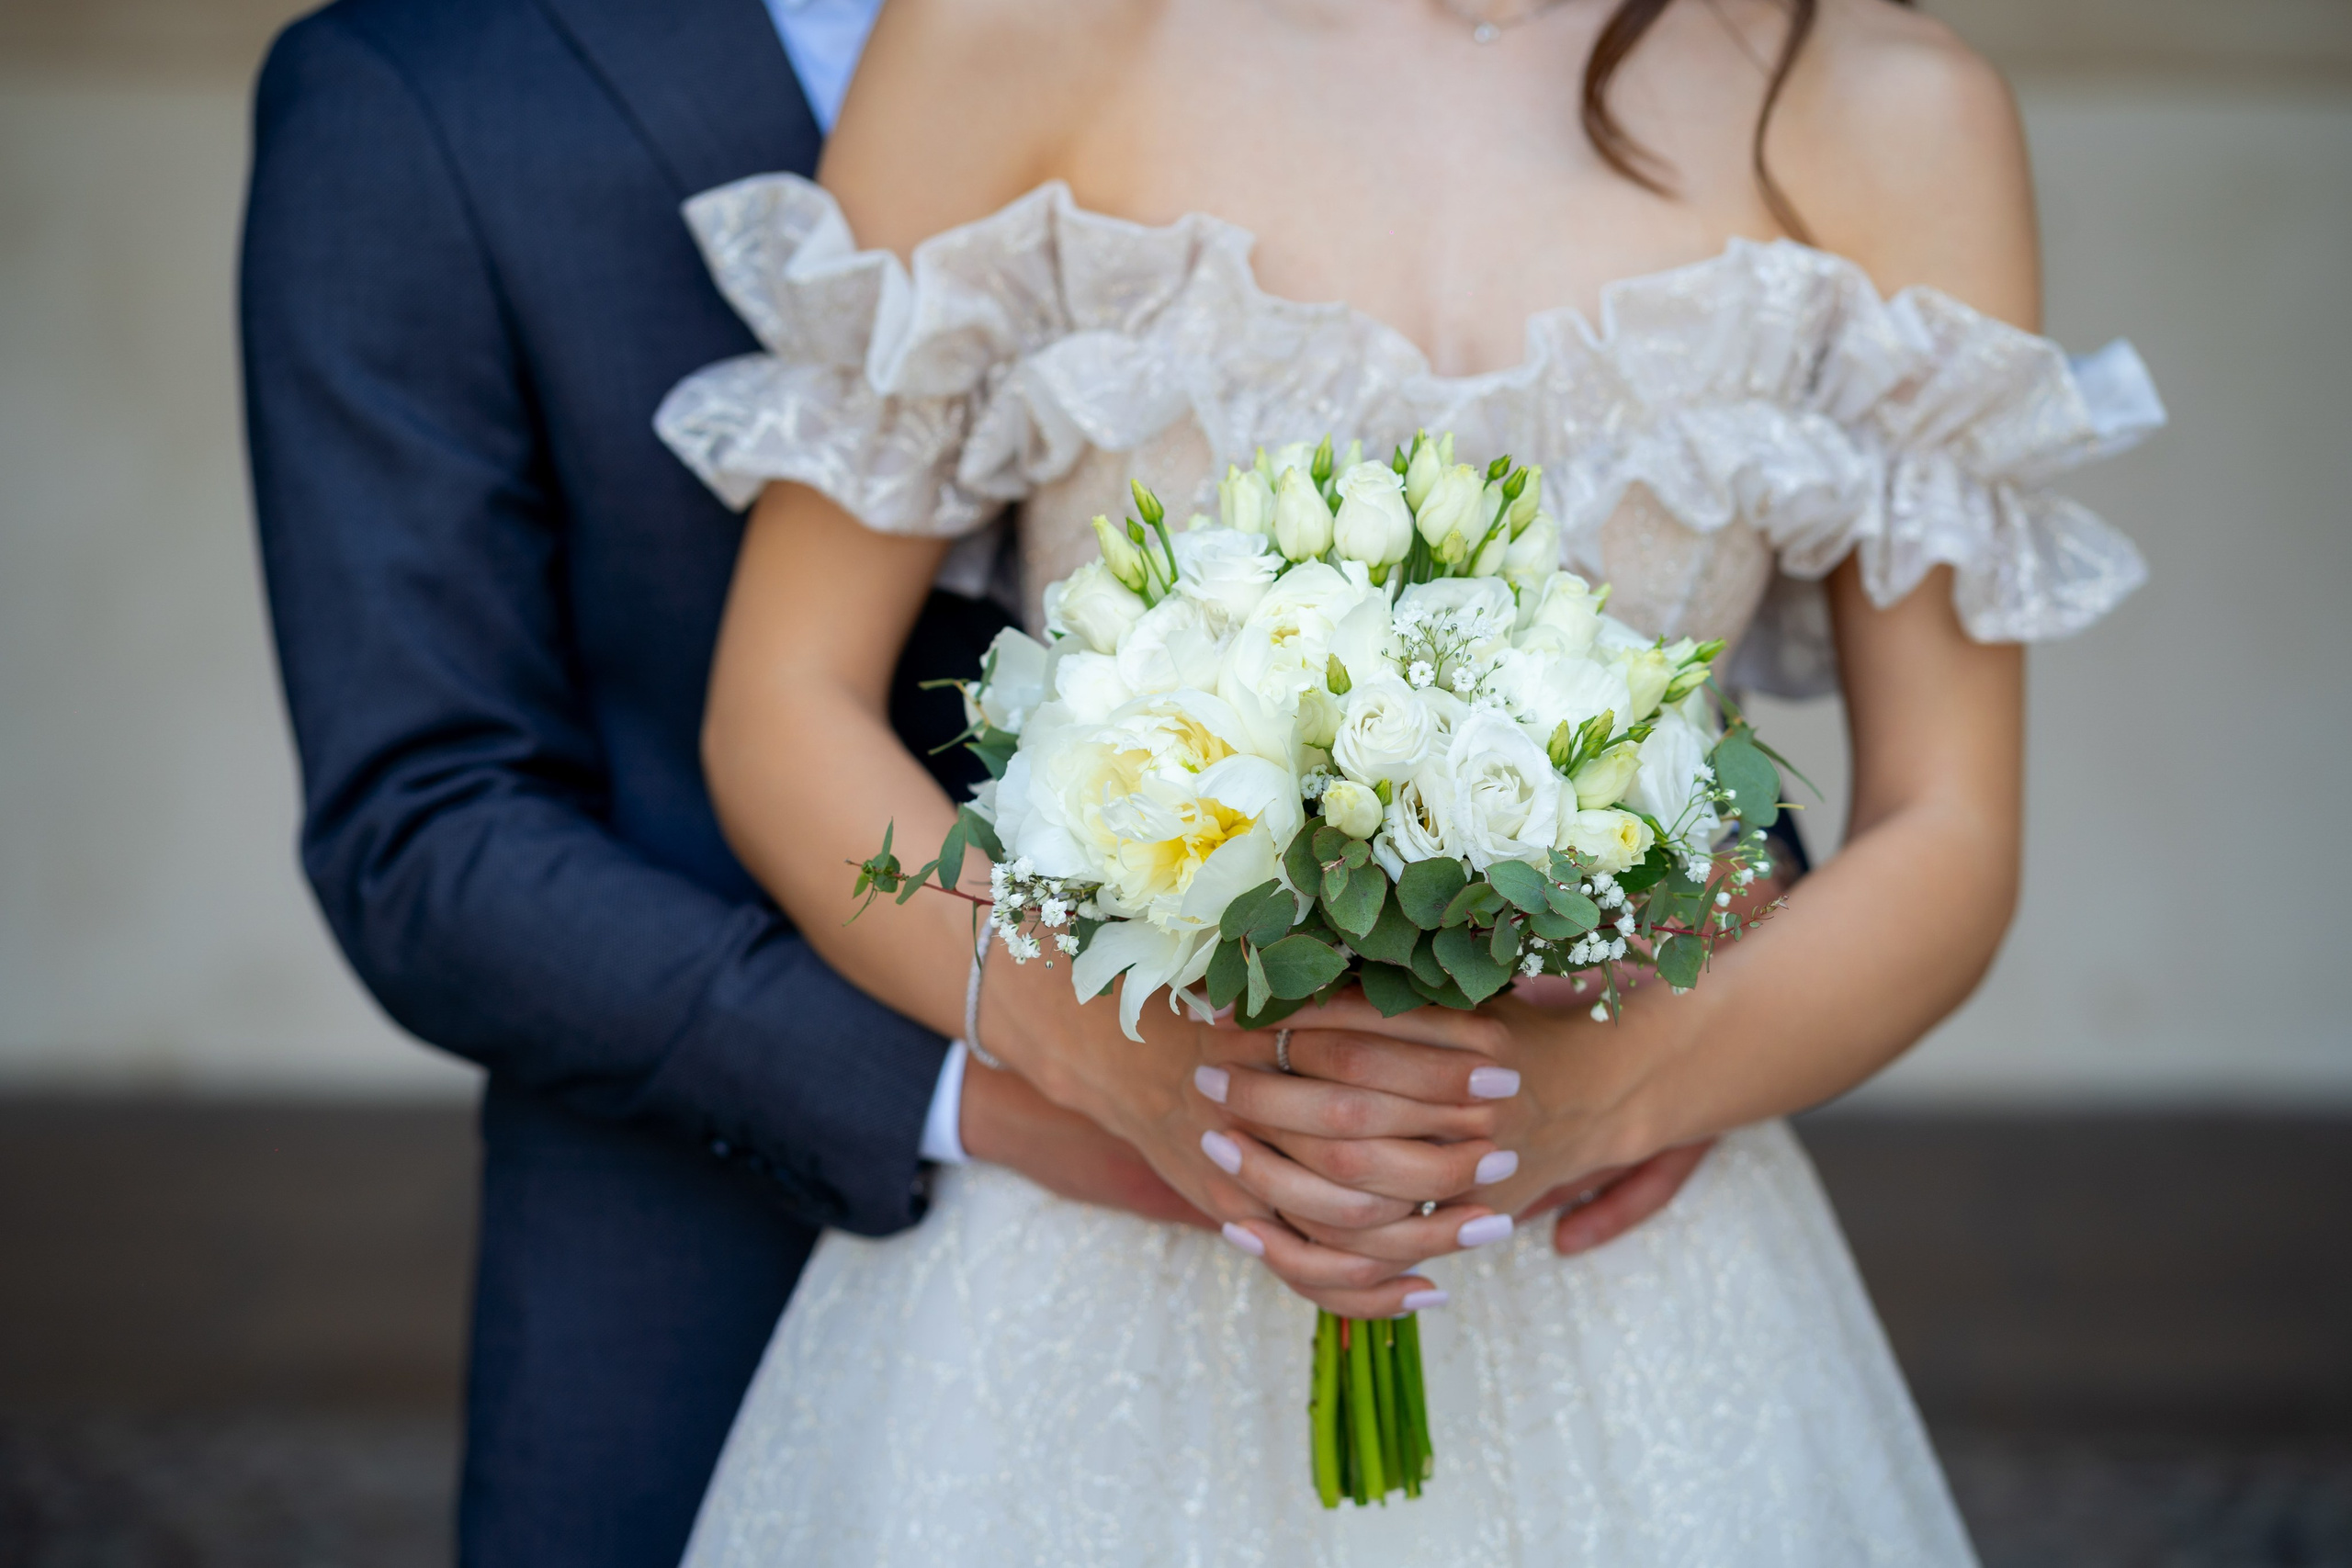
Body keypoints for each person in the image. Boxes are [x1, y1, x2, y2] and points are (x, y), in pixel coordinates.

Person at [661, 0, 2162, 1562]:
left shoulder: (1882, 109)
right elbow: (781, 710)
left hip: (1603, 1262)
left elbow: (1950, 831)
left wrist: (1610, 1097)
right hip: (1090, 1220)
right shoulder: (1015, 33)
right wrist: (1111, 1063)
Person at [238, 1, 1706, 1563]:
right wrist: (1028, 1081)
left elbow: (1567, 540)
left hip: (1463, 1209)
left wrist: (1664, 964)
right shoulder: (421, 92)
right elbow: (426, 832)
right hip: (702, 1221)